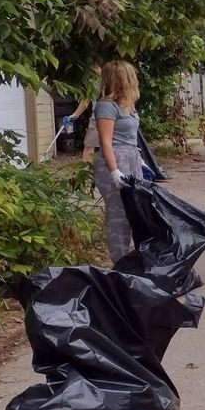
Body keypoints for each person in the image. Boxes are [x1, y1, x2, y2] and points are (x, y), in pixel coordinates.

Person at [92, 61, 144, 264]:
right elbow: (106, 142)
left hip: (131, 157)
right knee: (119, 214)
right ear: (123, 79)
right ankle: (120, 262)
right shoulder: (106, 106)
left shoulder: (128, 105)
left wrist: (141, 162)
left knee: (136, 210)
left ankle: (135, 257)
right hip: (114, 160)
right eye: (131, 76)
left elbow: (131, 137)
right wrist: (114, 172)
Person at [61, 64, 105, 161]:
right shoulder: (91, 83)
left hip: (112, 115)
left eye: (95, 68)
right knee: (90, 145)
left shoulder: (112, 80)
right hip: (96, 116)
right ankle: (87, 172)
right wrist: (74, 116)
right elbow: (86, 100)